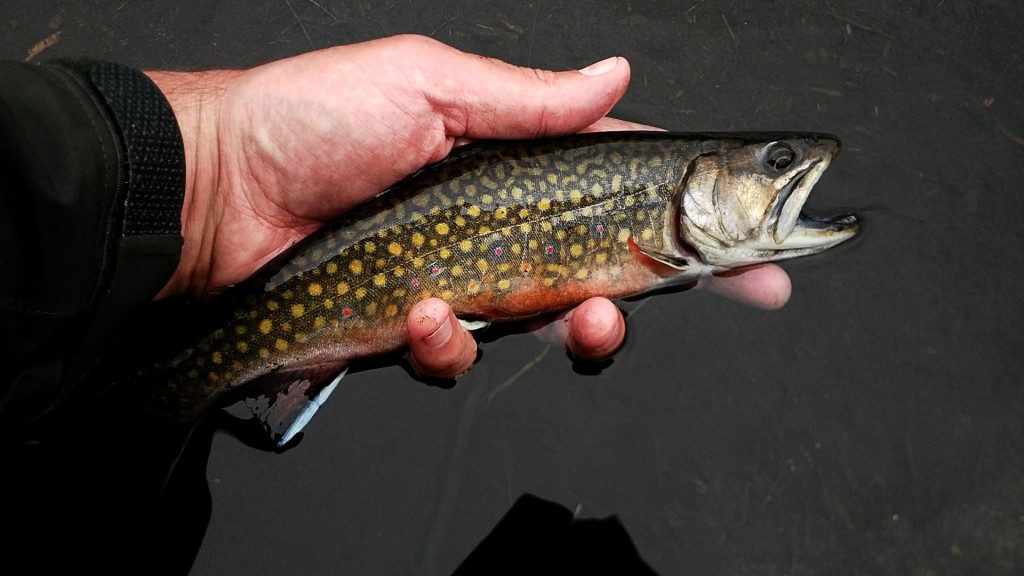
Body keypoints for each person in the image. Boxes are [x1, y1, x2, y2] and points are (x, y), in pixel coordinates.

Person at [0, 33, 791, 434]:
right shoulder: (652, 222)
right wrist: (210, 167)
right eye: (775, 163)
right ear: (700, 178)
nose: (789, 172)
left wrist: (209, 168)